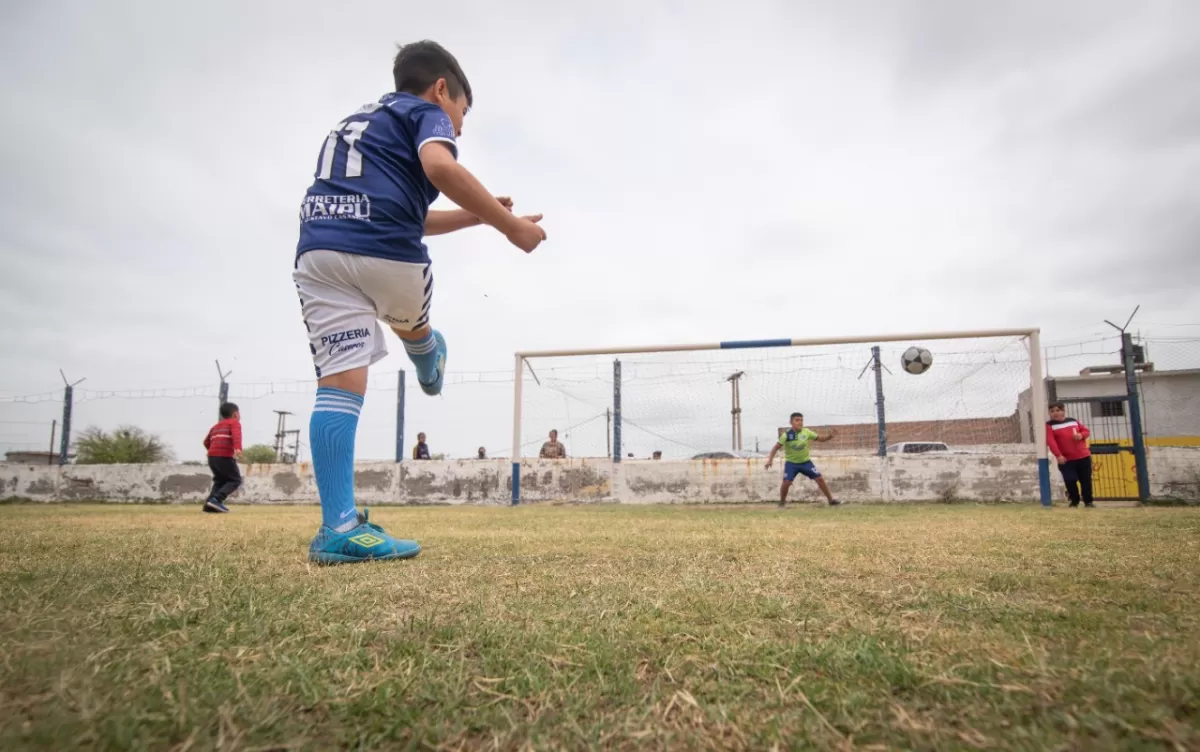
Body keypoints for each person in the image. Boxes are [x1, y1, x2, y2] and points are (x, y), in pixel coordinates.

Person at [293, 41, 546, 564]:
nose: (458, 126)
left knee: (339, 387)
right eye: (462, 112)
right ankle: (425, 347)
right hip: (387, 258)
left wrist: (477, 216)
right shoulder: (424, 112)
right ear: (440, 90)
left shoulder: (358, 123)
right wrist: (512, 229)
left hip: (318, 252)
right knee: (412, 323)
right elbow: (439, 168)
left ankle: (339, 528)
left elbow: (407, 214)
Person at [764, 412, 840, 507]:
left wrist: (830, 436)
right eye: (797, 420)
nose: (800, 422)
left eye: (801, 420)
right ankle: (782, 503)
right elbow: (776, 447)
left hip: (806, 463)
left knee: (819, 479)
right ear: (791, 422)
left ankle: (831, 500)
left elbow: (820, 438)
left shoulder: (806, 432)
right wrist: (770, 460)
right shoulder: (786, 435)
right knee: (787, 482)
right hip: (791, 464)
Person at [1046, 402, 1094, 508]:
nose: (1055, 413)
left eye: (1058, 410)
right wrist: (1058, 455)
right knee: (1070, 479)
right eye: (1052, 411)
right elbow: (1051, 442)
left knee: (1085, 480)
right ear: (1049, 413)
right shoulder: (1050, 425)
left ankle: (1088, 502)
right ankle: (1074, 500)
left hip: (1083, 456)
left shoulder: (1073, 421)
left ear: (1063, 411)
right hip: (1066, 459)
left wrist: (1081, 435)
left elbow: (1086, 431)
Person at [202, 403, 243, 513]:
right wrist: (238, 449)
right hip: (224, 456)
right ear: (235, 414)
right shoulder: (234, 423)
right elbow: (236, 436)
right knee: (235, 479)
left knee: (220, 481)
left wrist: (213, 451)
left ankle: (209, 505)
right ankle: (217, 499)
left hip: (212, 457)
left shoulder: (216, 426)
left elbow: (206, 442)